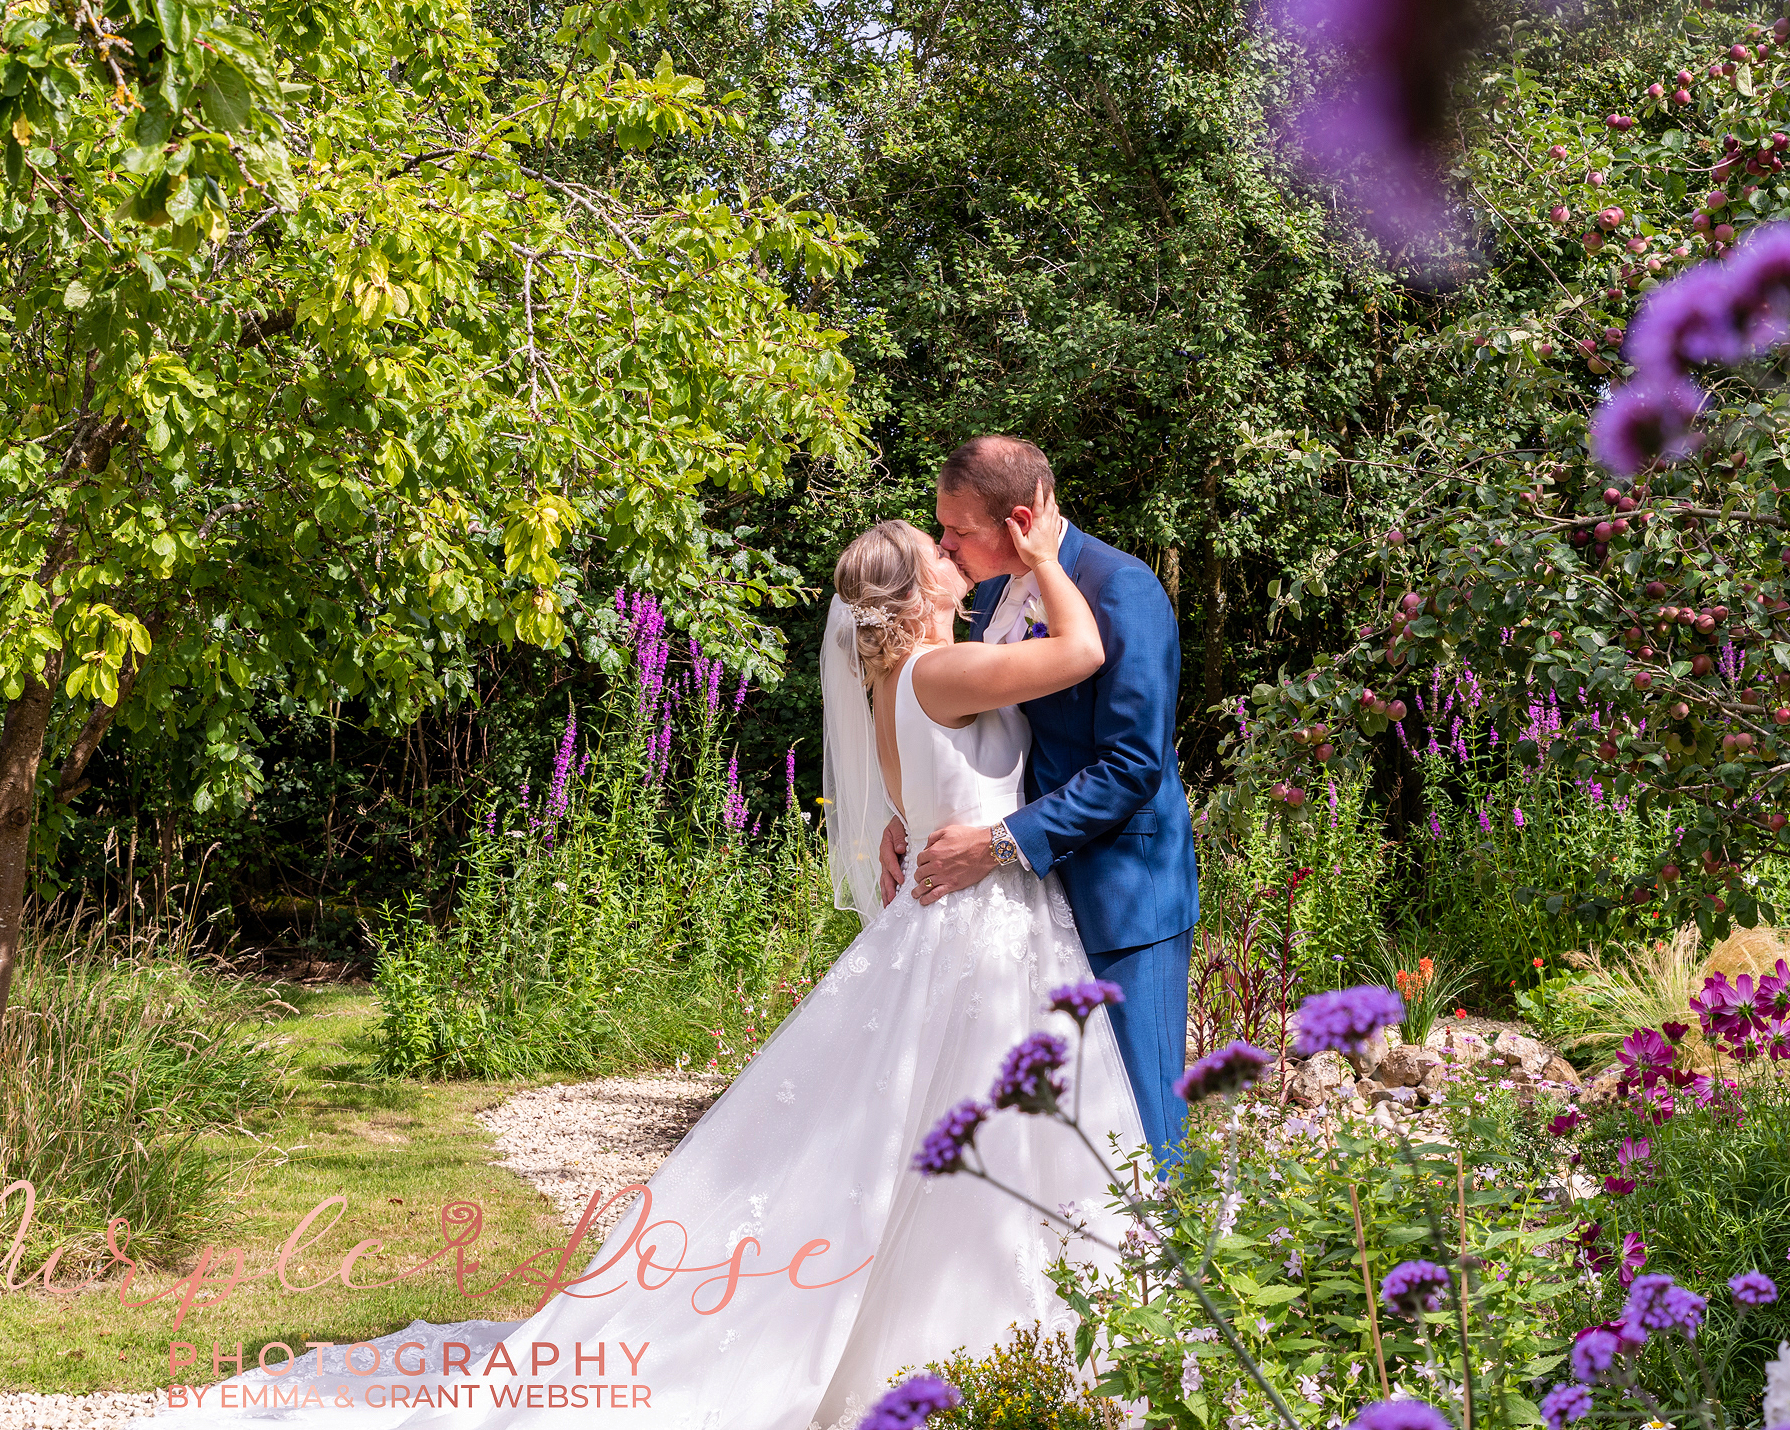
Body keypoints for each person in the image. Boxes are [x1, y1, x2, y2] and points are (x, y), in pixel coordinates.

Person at [152, 498, 1143, 1430]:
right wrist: (1051, 559)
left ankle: (964, 1334)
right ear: (920, 593)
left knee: (923, 1132)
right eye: (934, 549)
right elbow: (1085, 651)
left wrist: (904, 823)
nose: (948, 549)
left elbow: (925, 790)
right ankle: (989, 1333)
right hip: (976, 922)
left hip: (958, 919)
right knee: (978, 1127)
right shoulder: (943, 670)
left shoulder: (896, 685)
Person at [882, 436, 1200, 1168]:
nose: (945, 544)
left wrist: (995, 843)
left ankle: (1183, 1277)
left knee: (1142, 1117)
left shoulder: (1122, 589)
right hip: (1027, 905)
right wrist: (913, 820)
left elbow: (1132, 768)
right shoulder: (989, 595)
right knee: (1063, 1130)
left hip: (1122, 895)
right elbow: (981, 737)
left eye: (960, 530)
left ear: (1019, 522)